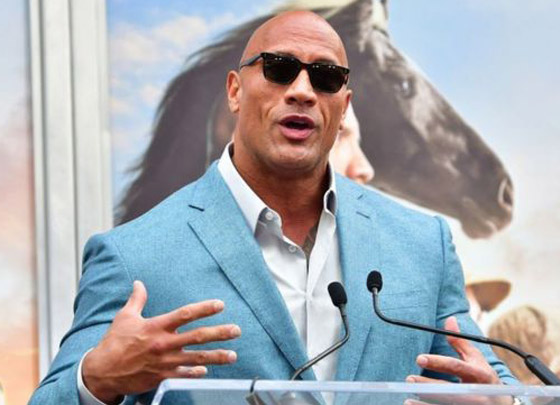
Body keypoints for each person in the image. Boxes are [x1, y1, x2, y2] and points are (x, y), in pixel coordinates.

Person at [30, 11, 516, 405]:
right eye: (279, 68)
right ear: (235, 92)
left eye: (326, 78)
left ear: (344, 106)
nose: (302, 90)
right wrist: (96, 381)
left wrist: (506, 402)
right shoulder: (133, 255)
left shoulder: (423, 244)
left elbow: (492, 380)